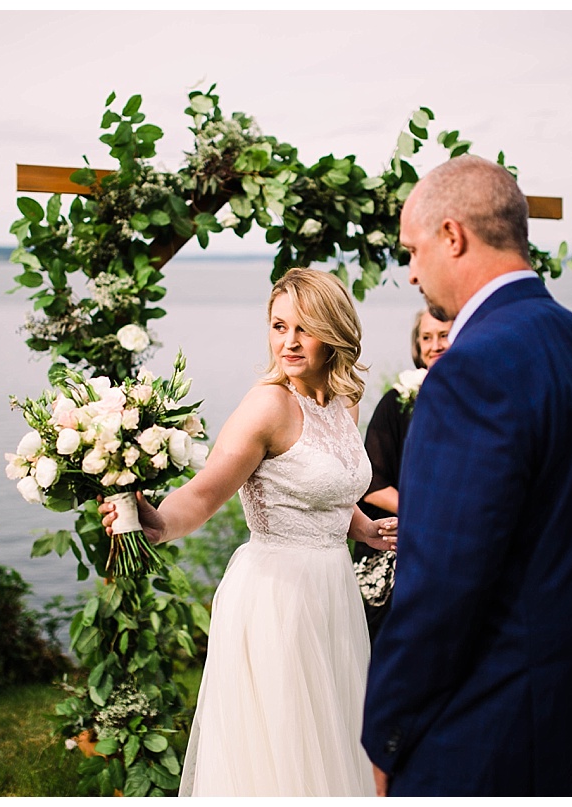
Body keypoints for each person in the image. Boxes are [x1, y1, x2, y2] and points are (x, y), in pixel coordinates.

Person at [361, 155, 572, 796]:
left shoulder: (470, 372)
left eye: (412, 251)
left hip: (495, 730)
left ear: (453, 236)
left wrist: (388, 732)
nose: (410, 272)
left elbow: (439, 581)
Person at [98, 267, 397, 797]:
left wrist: (363, 528)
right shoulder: (267, 406)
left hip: (333, 589)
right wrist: (157, 522)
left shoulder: (343, 400)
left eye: (305, 328)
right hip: (278, 596)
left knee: (334, 739)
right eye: (279, 326)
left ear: (335, 332)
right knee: (283, 752)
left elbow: (325, 485)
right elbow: (204, 494)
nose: (290, 341)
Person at [354, 308, 452, 641]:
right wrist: (427, 518)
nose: (434, 345)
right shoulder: (397, 402)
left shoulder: (476, 403)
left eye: (443, 335)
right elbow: (372, 485)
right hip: (399, 546)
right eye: (426, 337)